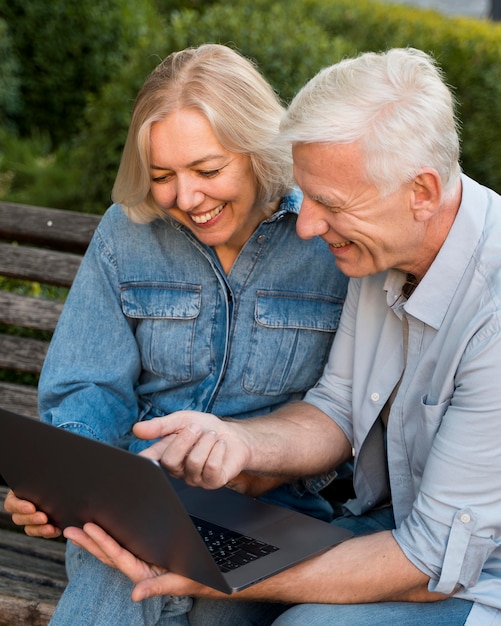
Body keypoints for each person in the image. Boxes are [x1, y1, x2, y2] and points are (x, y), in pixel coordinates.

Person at [63, 47, 501, 626]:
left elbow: (429, 559)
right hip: (387, 530)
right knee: (173, 592)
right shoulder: (381, 249)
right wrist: (237, 443)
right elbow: (336, 408)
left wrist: (218, 578)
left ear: (420, 192)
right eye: (307, 195)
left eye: (329, 203)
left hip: (472, 573)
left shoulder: (487, 305)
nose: (309, 225)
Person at [2, 44, 349, 625]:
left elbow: (350, 410)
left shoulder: (325, 240)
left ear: (260, 153)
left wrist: (255, 466)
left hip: (273, 512)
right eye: (163, 176)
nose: (186, 198)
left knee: (209, 611)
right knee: (125, 560)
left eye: (208, 171)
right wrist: (62, 485)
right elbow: (86, 389)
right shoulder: (128, 234)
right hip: (132, 502)